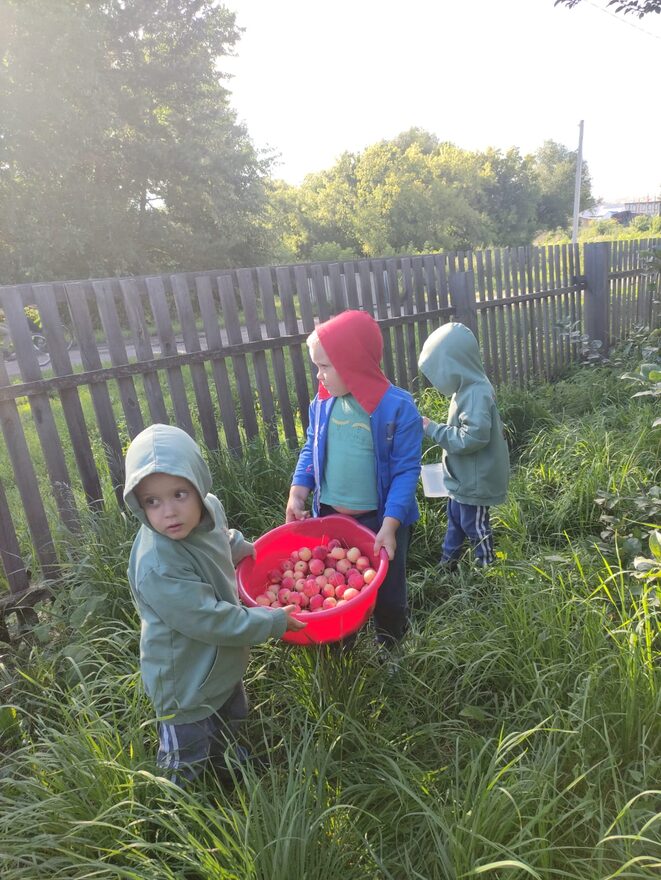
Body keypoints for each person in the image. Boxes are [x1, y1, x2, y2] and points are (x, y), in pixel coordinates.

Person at [124, 423, 305, 785]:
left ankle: (231, 768)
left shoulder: (209, 510)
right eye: (152, 501)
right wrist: (269, 622)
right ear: (139, 505)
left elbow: (218, 539)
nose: (169, 512)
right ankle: (176, 815)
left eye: (179, 494)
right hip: (185, 681)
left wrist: (240, 548)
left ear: (198, 485)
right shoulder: (158, 565)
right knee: (186, 753)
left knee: (231, 717)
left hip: (221, 663)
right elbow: (211, 620)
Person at [286, 310, 423, 649]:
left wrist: (390, 525)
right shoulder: (323, 402)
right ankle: (342, 644)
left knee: (389, 592)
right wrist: (298, 492)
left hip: (380, 520)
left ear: (352, 362)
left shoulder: (396, 408)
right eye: (316, 366)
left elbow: (407, 472)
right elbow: (311, 447)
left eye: (325, 366)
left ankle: (390, 646)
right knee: (335, 586)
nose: (319, 375)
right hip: (332, 516)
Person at [417, 322, 509, 569]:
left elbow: (473, 437)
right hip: (462, 478)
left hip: (475, 481)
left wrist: (433, 429)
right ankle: (448, 564)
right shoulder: (465, 387)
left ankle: (488, 568)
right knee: (455, 519)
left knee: (474, 524)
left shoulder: (476, 392)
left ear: (454, 365)